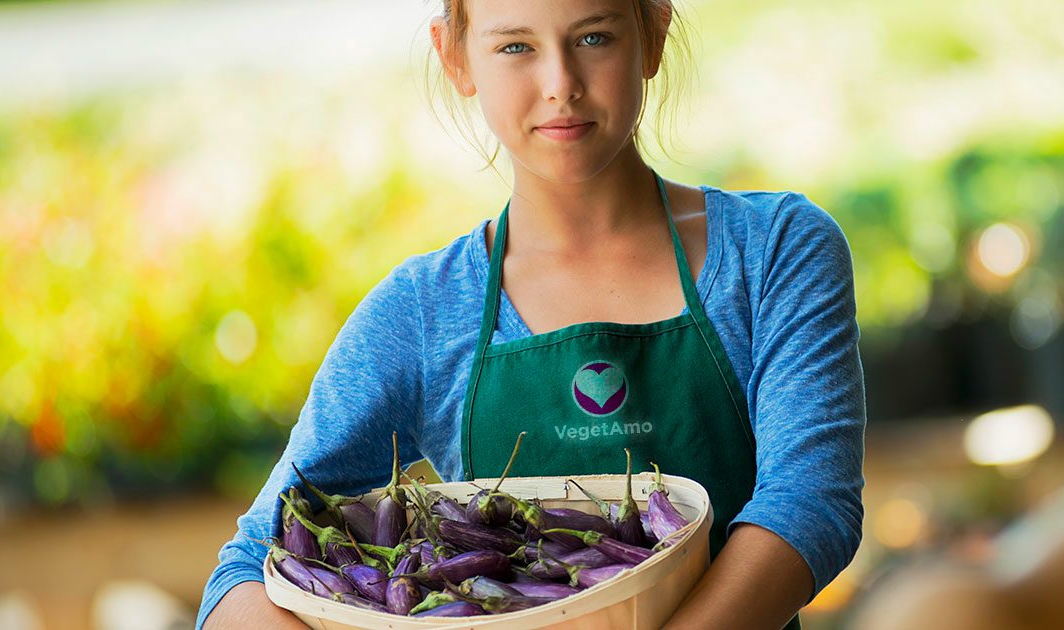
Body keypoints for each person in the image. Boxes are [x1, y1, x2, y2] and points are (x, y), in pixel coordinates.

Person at [196, 1, 866, 628]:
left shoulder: (775, 250)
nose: (560, 83)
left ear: (653, 35)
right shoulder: (421, 313)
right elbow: (250, 563)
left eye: (593, 37)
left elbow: (810, 505)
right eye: (516, 45)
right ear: (456, 59)